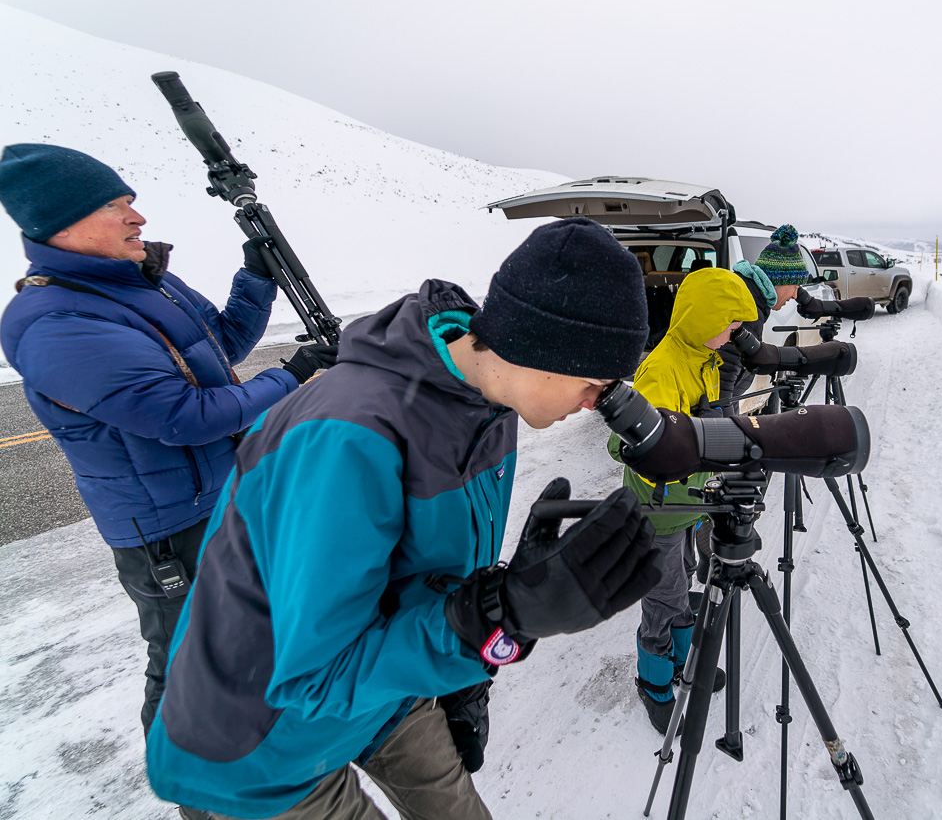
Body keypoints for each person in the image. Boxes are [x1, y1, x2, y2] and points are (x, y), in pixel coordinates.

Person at [145, 217, 662, 820]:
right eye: (596, 383)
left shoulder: (488, 403)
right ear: (543, 350)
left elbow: (427, 577)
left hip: (382, 687)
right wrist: (499, 618)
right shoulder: (348, 438)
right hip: (264, 740)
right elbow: (314, 678)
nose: (596, 403)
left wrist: (470, 671)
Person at [0, 143, 335, 736]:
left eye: (131, 201)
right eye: (115, 206)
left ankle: (264, 746)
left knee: (252, 636)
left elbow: (219, 349)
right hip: (169, 531)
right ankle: (193, 789)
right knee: (186, 665)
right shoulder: (56, 322)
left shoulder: (141, 283)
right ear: (61, 225)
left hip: (224, 494)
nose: (138, 218)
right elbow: (186, 415)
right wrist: (294, 375)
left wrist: (256, 279)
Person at [608, 266, 757, 734]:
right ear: (701, 317)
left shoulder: (707, 359)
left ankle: (681, 658)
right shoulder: (664, 367)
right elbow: (626, 442)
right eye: (729, 323)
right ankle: (654, 682)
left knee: (685, 580)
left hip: (690, 505)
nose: (736, 333)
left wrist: (723, 415)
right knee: (662, 596)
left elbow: (712, 428)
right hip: (659, 511)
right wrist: (682, 436)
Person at [717, 223, 809, 413]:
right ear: (780, 281)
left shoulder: (753, 298)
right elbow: (723, 378)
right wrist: (725, 424)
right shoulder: (746, 306)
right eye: (795, 287)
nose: (794, 296)